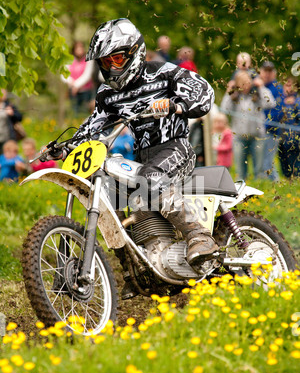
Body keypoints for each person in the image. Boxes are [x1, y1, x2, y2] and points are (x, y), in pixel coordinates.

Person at [45, 18, 218, 298]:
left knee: (149, 179)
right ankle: (135, 272)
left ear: (134, 52)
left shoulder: (163, 72)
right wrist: (63, 147)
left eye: (116, 58)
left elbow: (204, 91)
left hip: (176, 148)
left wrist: (179, 104)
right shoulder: (108, 95)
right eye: (105, 61)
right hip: (143, 156)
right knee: (113, 197)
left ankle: (199, 236)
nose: (111, 67)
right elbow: (93, 126)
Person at [220, 70, 275, 180]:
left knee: (259, 171)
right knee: (240, 172)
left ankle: (259, 191)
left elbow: (270, 103)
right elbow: (224, 109)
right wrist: (229, 92)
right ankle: (241, 191)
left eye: (247, 83)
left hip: (257, 136)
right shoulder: (235, 97)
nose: (245, 86)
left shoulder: (256, 94)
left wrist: (261, 87)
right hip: (239, 137)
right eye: (242, 84)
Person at [260, 61, 284, 181]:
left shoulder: (277, 88)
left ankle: (275, 183)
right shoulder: (258, 86)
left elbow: (278, 112)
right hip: (259, 131)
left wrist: (263, 124)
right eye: (265, 71)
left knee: (268, 162)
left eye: (270, 71)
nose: (267, 74)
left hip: (271, 131)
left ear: (274, 73)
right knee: (262, 162)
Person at [63, 41, 95, 115]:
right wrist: (71, 83)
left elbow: (87, 75)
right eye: (77, 48)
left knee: (84, 112)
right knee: (74, 112)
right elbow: (64, 74)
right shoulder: (69, 60)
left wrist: (76, 85)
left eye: (81, 47)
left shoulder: (88, 60)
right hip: (73, 92)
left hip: (86, 91)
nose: (79, 50)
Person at [277, 76, 300, 178]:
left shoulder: (297, 101)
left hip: (294, 140)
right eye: (286, 85)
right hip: (281, 138)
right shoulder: (279, 100)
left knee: (295, 164)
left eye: (290, 85)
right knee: (284, 164)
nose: (288, 88)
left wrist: (294, 104)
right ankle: (287, 183)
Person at [0, 89, 23, 154]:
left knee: (8, 156)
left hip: (7, 138)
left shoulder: (9, 105)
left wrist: (12, 114)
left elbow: (20, 117)